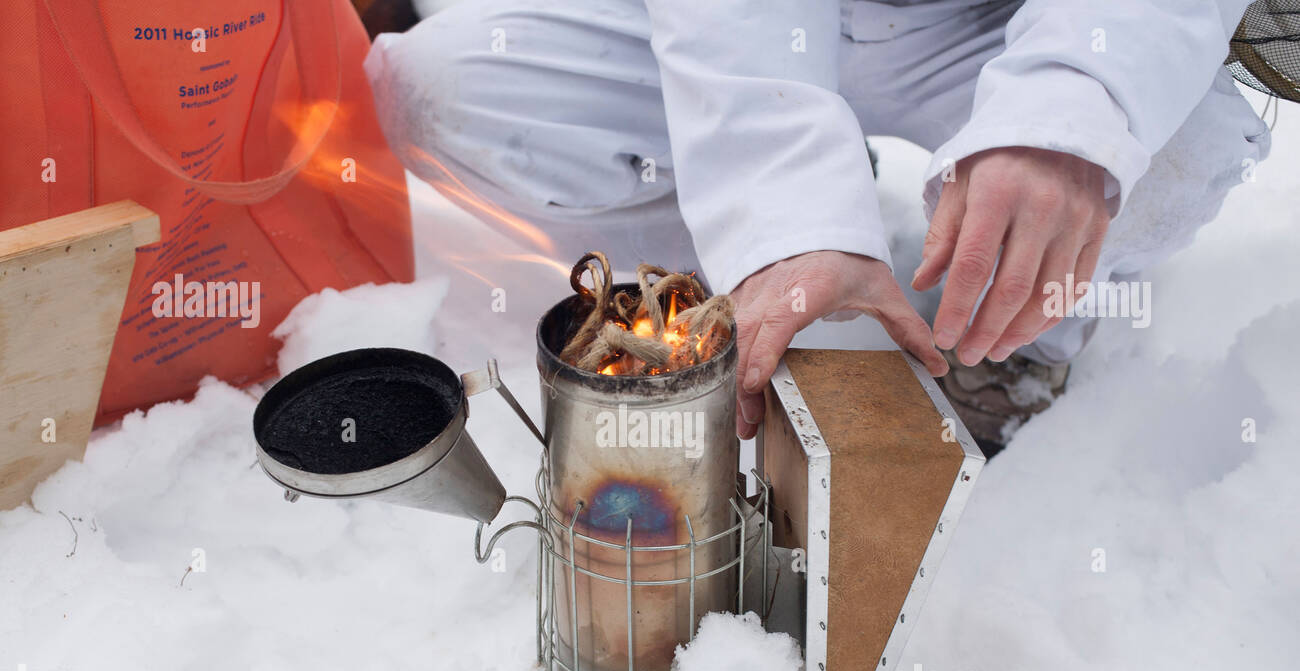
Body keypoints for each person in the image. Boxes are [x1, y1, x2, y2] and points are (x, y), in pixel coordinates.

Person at [365, 0, 1272, 453]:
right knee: (440, 87)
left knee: (1174, 148)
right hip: (744, 26)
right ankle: (740, 291)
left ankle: (1011, 336)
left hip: (997, 27)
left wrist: (1065, 117)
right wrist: (789, 219)